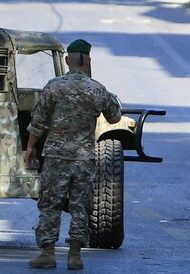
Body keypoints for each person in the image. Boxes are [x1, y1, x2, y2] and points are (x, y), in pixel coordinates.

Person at [25, 39, 122, 271]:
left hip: (56, 157)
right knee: (80, 207)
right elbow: (115, 118)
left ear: (67, 60)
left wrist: (30, 147)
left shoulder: (53, 86)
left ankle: (47, 254)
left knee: (50, 205)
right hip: (84, 159)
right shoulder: (97, 89)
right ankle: (75, 255)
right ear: (88, 61)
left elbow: (37, 122)